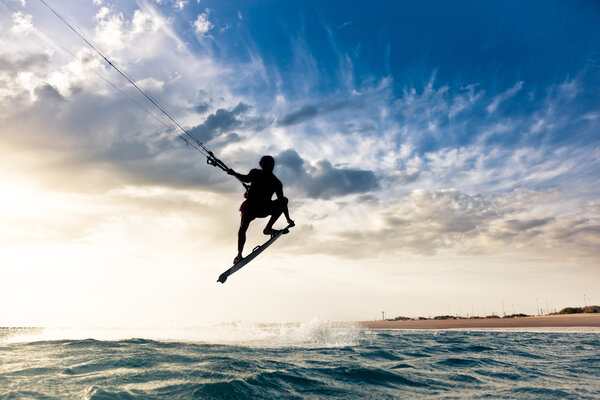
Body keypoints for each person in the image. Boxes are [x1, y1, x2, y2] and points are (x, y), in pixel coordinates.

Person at [227, 155, 294, 264]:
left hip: (262, 208)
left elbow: (282, 201)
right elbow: (246, 179)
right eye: (266, 165)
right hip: (251, 207)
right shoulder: (257, 174)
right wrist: (234, 174)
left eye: (269, 165)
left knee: (283, 200)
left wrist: (288, 218)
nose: (267, 167)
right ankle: (239, 254)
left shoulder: (275, 181)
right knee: (243, 228)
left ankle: (268, 229)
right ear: (262, 164)